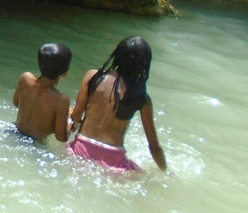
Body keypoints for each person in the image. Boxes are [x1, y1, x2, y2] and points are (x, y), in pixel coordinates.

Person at [68, 35, 166, 172]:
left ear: (117, 55)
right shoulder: (142, 98)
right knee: (142, 174)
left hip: (80, 148)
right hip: (113, 159)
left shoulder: (93, 77)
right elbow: (154, 146)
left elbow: (76, 115)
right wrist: (165, 171)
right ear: (144, 64)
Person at [12, 42, 72, 142]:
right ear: (65, 74)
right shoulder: (61, 100)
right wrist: (70, 122)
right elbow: (61, 138)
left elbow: (16, 103)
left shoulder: (25, 78)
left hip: (13, 131)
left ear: (38, 62)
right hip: (34, 144)